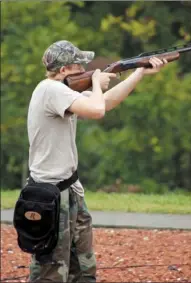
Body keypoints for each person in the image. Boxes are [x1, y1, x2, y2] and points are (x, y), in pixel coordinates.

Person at [27, 40, 167, 283]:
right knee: (50, 272)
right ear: (64, 70)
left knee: (82, 268)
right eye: (79, 65)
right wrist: (95, 83)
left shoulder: (65, 91)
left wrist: (138, 72)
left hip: (69, 190)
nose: (85, 68)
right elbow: (97, 110)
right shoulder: (51, 89)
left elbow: (106, 103)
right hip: (50, 196)